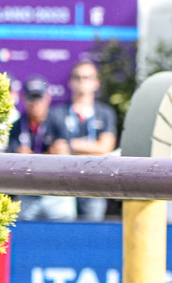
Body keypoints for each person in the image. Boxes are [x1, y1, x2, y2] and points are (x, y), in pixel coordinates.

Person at [48, 61, 119, 220]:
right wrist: (93, 149)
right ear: (70, 82)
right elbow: (59, 149)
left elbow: (105, 147)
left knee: (91, 233)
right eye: (78, 77)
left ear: (96, 83)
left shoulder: (105, 113)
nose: (82, 81)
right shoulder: (57, 113)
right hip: (64, 183)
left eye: (87, 77)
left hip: (94, 183)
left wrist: (72, 146)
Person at [5, 78, 73, 222]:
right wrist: (49, 155)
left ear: (47, 98)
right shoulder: (17, 126)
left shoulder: (57, 121)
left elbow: (65, 157)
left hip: (56, 193)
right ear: (24, 99)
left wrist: (30, 156)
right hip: (27, 191)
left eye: (39, 97)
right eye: (31, 97)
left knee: (66, 234)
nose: (36, 103)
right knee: (22, 233)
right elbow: (14, 162)